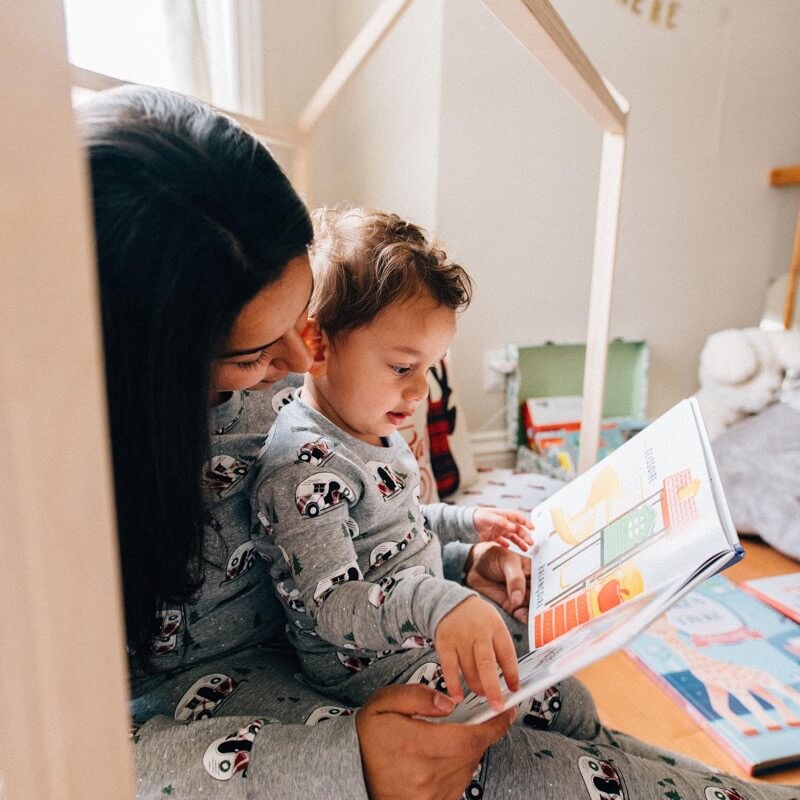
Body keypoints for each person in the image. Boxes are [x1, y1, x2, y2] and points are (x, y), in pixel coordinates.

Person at [81, 84, 800, 800]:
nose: (302, 369)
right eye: (252, 357)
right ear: (137, 367)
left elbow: (379, 528)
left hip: (383, 647)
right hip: (264, 722)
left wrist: (456, 564)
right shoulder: (66, 489)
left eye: (302, 321)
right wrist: (343, 762)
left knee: (582, 722)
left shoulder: (330, 404)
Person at [251, 207, 538, 710]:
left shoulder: (370, 425)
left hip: (418, 634)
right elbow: (333, 606)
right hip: (375, 672)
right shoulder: (304, 466)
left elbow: (395, 525)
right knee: (549, 696)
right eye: (403, 366)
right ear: (317, 345)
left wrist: (466, 523)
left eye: (430, 367)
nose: (420, 389)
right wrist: (436, 603)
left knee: (544, 652)